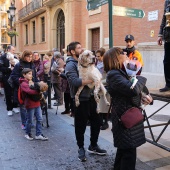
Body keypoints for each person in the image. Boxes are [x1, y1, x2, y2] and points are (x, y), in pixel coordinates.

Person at [103, 47, 153, 170]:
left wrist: (147, 98)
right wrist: (141, 77)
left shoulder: (122, 73)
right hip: (125, 121)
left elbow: (138, 92)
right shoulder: (113, 75)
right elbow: (133, 89)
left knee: (124, 152)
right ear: (115, 58)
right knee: (129, 155)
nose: (125, 54)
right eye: (122, 53)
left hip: (129, 119)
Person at [65, 42, 107, 162]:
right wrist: (93, 79)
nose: (82, 49)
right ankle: (81, 148)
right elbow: (74, 81)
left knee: (97, 122)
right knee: (80, 125)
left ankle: (93, 145)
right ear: (73, 51)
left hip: (93, 98)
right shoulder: (70, 65)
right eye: (78, 48)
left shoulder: (88, 62)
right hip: (80, 100)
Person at [11, 50, 38, 129]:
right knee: (23, 107)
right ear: (24, 56)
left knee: (30, 106)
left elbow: (35, 77)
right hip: (22, 89)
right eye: (28, 56)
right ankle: (24, 123)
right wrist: (21, 82)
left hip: (31, 88)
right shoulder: (19, 65)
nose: (29, 58)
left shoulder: (32, 65)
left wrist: (37, 84)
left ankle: (29, 122)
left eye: (30, 56)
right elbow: (13, 76)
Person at [19, 68, 48, 141]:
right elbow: (30, 91)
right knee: (30, 120)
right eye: (28, 74)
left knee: (40, 119)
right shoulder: (23, 83)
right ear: (24, 75)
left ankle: (38, 134)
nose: (30, 75)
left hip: (37, 103)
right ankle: (27, 133)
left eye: (31, 74)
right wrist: (39, 90)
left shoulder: (32, 81)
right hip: (30, 104)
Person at [0, 45, 19, 116]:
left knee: (15, 93)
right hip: (6, 77)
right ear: (8, 50)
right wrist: (9, 69)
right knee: (8, 93)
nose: (14, 52)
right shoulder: (3, 57)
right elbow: (1, 68)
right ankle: (9, 109)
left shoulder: (15, 57)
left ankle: (15, 106)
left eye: (14, 50)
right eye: (13, 50)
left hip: (14, 77)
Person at [95, 47, 110, 130]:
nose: (97, 58)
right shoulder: (98, 63)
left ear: (103, 55)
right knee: (100, 106)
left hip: (105, 86)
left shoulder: (107, 64)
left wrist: (100, 82)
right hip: (98, 86)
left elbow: (108, 77)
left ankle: (106, 122)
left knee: (105, 107)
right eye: (96, 56)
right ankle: (101, 121)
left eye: (99, 56)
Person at [158, 0, 170, 92]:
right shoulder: (167, 2)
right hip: (168, 37)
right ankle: (168, 84)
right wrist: (160, 35)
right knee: (166, 62)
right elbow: (164, 18)